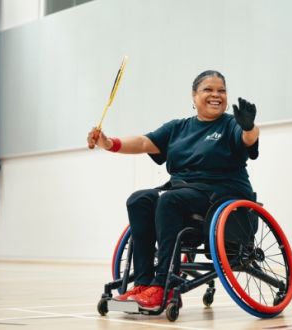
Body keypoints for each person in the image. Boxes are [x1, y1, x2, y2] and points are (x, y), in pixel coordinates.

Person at [87, 70, 259, 311]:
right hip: (182, 193)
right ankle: (143, 284)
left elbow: (248, 139)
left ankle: (162, 286)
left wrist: (249, 126)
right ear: (194, 96)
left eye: (221, 90)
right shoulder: (179, 128)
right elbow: (144, 142)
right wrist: (109, 143)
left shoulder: (231, 124)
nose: (216, 95)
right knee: (139, 199)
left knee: (169, 200)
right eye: (208, 89)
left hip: (220, 194)